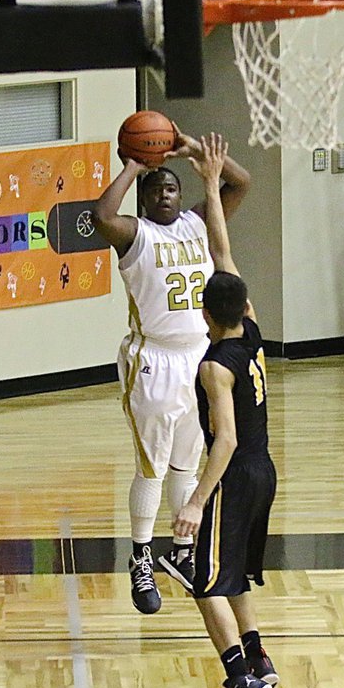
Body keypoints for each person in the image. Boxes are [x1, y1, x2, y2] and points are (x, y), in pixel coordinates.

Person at [91, 122, 250, 615]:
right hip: (152, 360)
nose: (165, 192)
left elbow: (240, 182)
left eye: (171, 185)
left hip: (198, 356)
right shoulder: (133, 234)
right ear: (144, 199)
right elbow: (100, 214)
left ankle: (181, 551)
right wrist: (134, 165)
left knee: (187, 460)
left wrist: (194, 150)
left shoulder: (199, 224)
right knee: (152, 466)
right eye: (156, 188)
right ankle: (139, 555)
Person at [173, 133, 278, 688]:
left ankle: (240, 679)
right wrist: (210, 182)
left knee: (204, 579)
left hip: (237, 472)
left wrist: (192, 503)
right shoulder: (253, 327)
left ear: (203, 313)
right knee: (232, 571)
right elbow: (223, 248)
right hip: (266, 470)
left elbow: (226, 440)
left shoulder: (215, 366)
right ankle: (259, 660)